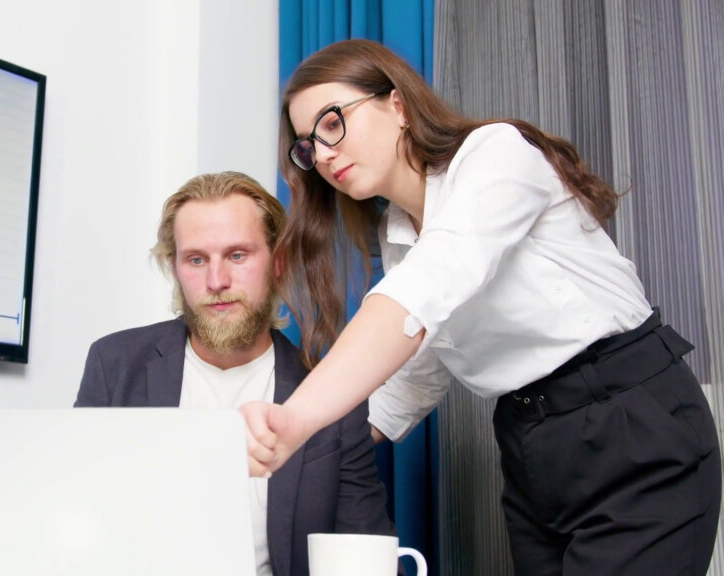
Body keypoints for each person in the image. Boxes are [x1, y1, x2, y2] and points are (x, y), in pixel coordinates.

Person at [243, 39, 721, 575]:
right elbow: (415, 376)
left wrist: (296, 416)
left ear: (398, 106)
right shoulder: (398, 235)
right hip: (531, 446)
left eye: (332, 123)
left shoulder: (496, 154)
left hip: (628, 424)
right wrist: (294, 443)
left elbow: (428, 287)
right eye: (308, 146)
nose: (324, 154)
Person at [75, 171, 399, 576]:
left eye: (237, 256)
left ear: (277, 263)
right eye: (196, 260)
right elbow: (75, 523)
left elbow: (369, 554)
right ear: (175, 268)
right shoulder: (113, 366)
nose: (217, 282)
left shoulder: (330, 395)